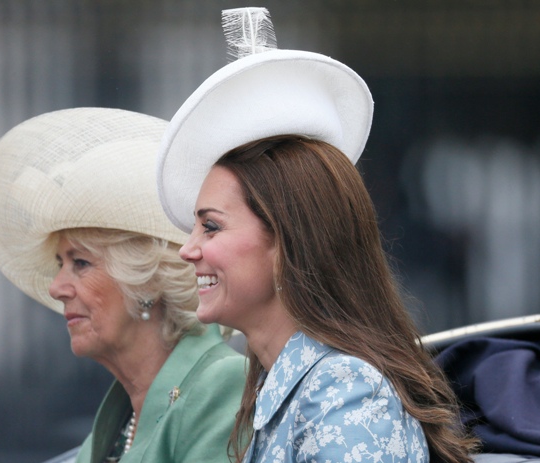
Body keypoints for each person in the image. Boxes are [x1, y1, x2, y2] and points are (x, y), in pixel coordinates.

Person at [156, 7, 479, 463]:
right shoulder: (294, 385)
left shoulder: (345, 392)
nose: (188, 249)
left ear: (286, 242)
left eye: (210, 226)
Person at [0, 107, 246, 462]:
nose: (57, 288)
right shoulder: (123, 416)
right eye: (62, 264)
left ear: (148, 280)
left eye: (81, 263)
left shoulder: (220, 384)